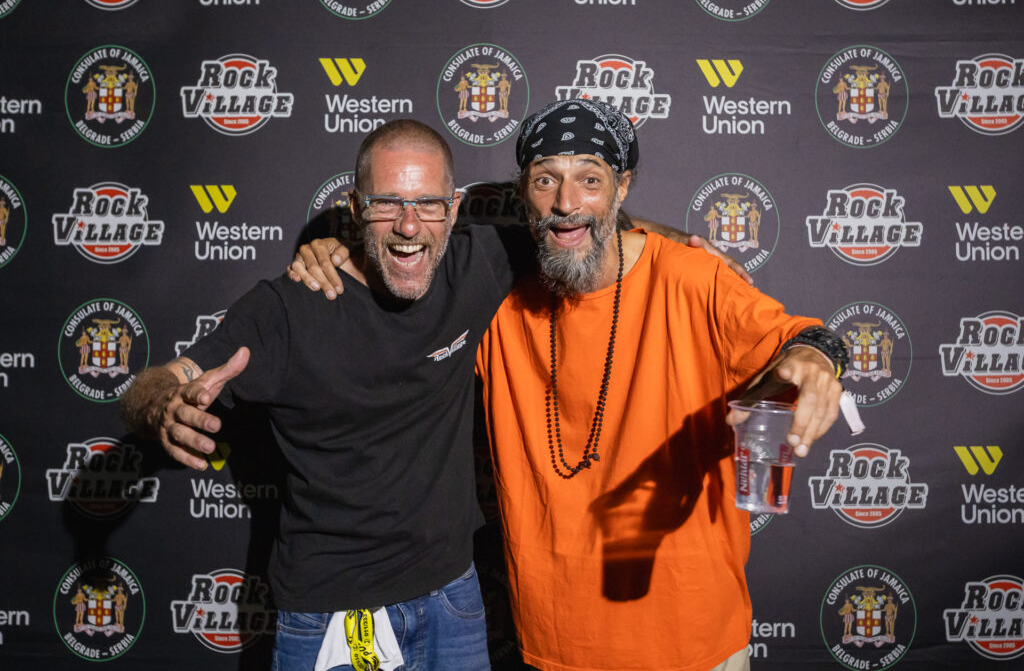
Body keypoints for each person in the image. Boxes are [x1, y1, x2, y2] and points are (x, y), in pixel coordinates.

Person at [292, 102, 846, 671]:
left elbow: (802, 339)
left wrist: (815, 357)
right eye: (545, 180)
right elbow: (406, 262)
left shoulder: (693, 279)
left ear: (622, 187)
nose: (565, 201)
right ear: (523, 194)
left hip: (693, 641)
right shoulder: (497, 303)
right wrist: (342, 254)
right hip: (555, 645)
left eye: (590, 179)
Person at [121, 120, 522, 670]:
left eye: (427, 204)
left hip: (453, 597)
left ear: (452, 210)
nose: (409, 225)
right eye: (386, 203)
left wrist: (653, 236)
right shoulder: (288, 310)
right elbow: (154, 385)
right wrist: (163, 405)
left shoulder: (477, 267)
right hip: (331, 612)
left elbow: (589, 233)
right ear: (355, 208)